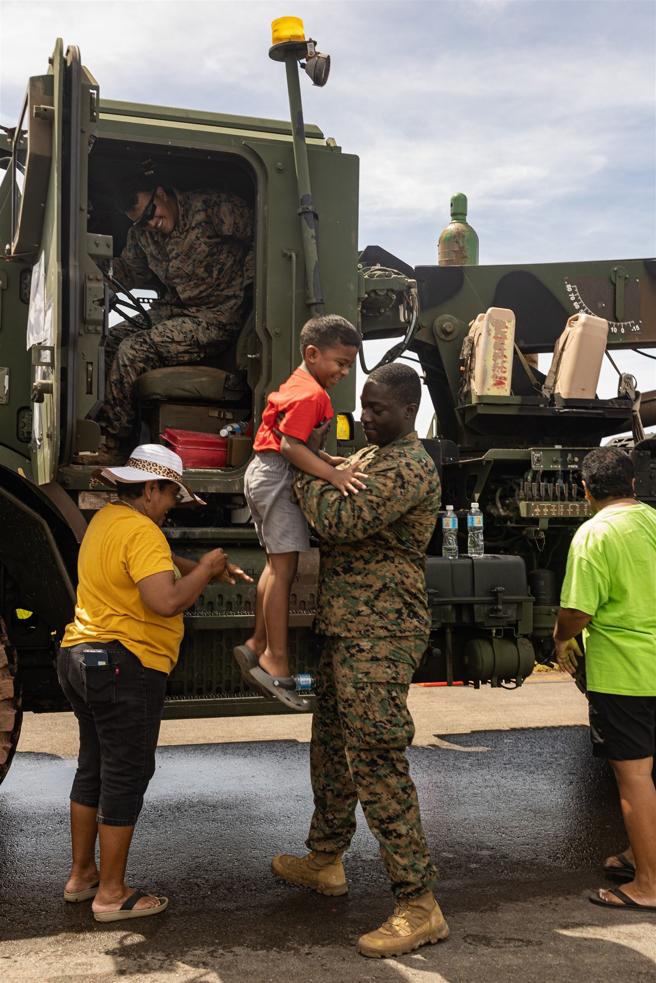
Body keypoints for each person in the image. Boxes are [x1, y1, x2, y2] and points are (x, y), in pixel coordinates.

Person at [271, 363, 449, 957]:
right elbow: (339, 484)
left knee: (376, 759)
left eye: (377, 410)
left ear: (408, 410)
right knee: (331, 746)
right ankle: (326, 860)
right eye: (363, 407)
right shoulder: (374, 456)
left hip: (382, 630)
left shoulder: (407, 464)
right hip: (347, 627)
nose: (365, 418)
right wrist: (322, 466)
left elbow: (340, 519)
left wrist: (301, 466)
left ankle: (419, 904)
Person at [58, 443, 252, 922]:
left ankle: (82, 877)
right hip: (126, 665)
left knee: (94, 768)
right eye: (170, 496)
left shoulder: (107, 521)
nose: (171, 506)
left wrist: (204, 568)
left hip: (80, 657)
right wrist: (206, 569)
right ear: (150, 489)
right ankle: (112, 894)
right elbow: (164, 601)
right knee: (125, 775)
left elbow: (156, 560)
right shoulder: (142, 531)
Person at [233, 314, 366, 710]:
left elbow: (291, 439)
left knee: (274, 568)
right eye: (340, 363)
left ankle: (256, 643)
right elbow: (291, 447)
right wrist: (333, 476)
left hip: (264, 471)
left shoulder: (298, 384)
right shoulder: (313, 395)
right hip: (277, 474)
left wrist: (328, 459)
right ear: (313, 353)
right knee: (284, 571)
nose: (344, 371)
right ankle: (276, 660)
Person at [553, 445, 656, 914]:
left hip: (624, 673)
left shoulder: (594, 534)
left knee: (634, 777)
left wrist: (559, 639)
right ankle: (641, 854)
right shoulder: (653, 522)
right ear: (633, 484)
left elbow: (577, 611)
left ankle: (648, 885)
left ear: (586, 489)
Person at [91, 179, 253, 462]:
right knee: (107, 340)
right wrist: (90, 265)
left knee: (134, 350)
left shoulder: (213, 208)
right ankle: (112, 431)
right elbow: (130, 272)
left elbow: (265, 236)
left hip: (215, 317)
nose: (151, 222)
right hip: (176, 310)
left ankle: (112, 443)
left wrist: (249, 284)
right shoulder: (141, 234)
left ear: (162, 193)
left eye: (151, 212)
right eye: (142, 220)